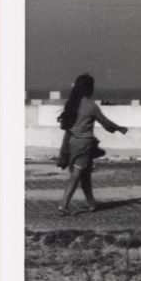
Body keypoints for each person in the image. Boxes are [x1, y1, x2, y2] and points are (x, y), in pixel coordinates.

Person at [57, 73, 128, 215]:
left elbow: (66, 127)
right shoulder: (91, 106)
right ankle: (63, 205)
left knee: (86, 175)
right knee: (77, 175)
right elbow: (106, 123)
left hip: (72, 143)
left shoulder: (72, 104)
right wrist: (120, 128)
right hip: (85, 145)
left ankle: (91, 203)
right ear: (89, 88)